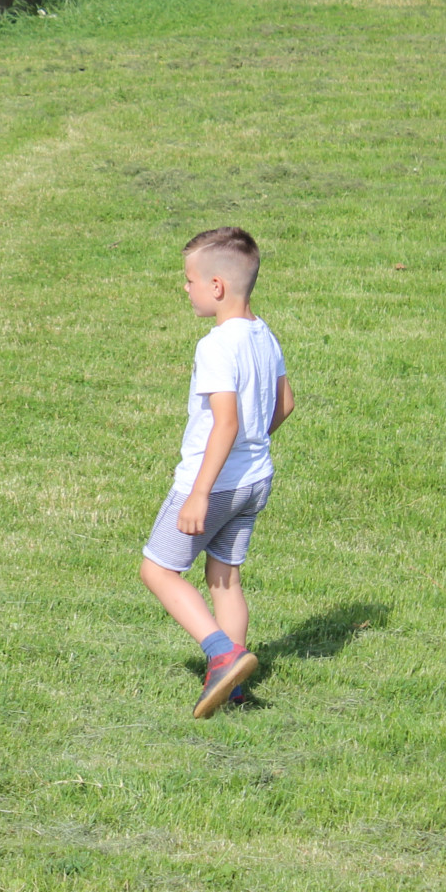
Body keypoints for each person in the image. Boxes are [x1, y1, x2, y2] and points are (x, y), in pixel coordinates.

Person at [139, 227, 295, 720]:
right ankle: (234, 684)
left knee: (158, 570)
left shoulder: (216, 346)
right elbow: (286, 404)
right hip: (255, 479)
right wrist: (252, 447)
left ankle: (221, 654)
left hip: (215, 483)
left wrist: (200, 493)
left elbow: (225, 422)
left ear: (217, 286)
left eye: (189, 280)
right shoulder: (264, 334)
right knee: (224, 577)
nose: (185, 288)